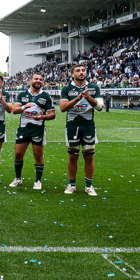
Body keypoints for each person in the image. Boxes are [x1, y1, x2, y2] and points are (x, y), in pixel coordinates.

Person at [3, 73, 55, 190]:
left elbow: (52, 115)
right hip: (24, 129)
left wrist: (42, 118)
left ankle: (38, 181)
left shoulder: (46, 96)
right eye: (36, 79)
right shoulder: (22, 95)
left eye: (41, 79)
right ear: (30, 80)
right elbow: (14, 110)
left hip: (38, 129)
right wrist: (24, 107)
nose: (38, 81)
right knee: (18, 154)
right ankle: (18, 178)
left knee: (38, 155)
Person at [59, 65, 104, 196]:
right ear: (72, 74)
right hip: (72, 126)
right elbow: (62, 108)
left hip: (88, 125)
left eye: (83, 70)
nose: (81, 73)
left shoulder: (94, 88)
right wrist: (78, 98)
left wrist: (88, 97)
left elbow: (100, 107)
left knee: (89, 156)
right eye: (78, 71)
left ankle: (89, 186)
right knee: (73, 156)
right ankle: (72, 185)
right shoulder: (67, 88)